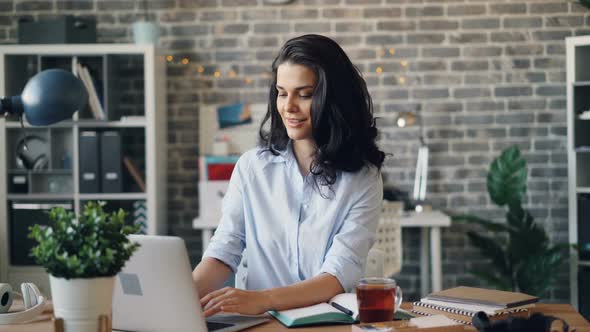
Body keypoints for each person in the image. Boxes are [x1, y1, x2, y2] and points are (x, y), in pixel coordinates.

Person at [192, 34, 385, 317]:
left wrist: (262, 299)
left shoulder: (363, 179)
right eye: (282, 93)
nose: (289, 106)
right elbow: (224, 250)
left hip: (324, 323)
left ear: (333, 100)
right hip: (256, 323)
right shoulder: (251, 168)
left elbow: (337, 275)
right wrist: (181, 297)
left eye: (304, 94)